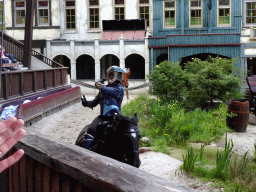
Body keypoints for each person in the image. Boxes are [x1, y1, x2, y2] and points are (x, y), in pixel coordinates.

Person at [76, 65, 124, 152]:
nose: (109, 77)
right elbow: (95, 102)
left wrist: (99, 84)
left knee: (126, 134)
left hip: (115, 118)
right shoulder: (104, 89)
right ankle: (85, 154)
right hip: (103, 117)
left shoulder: (119, 89)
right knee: (91, 129)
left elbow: (103, 88)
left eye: (111, 75)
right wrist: (87, 103)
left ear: (117, 76)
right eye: (108, 75)